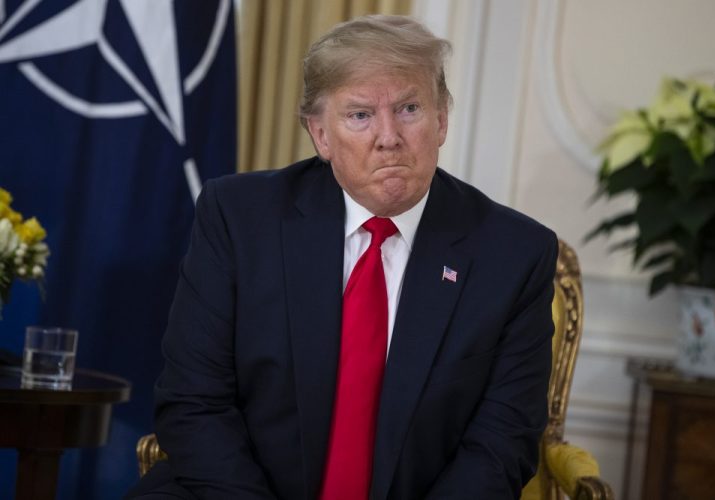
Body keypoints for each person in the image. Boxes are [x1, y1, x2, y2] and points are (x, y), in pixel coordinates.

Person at [129, 14, 557, 500]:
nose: (389, 136)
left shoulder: (514, 253)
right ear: (321, 135)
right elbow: (193, 402)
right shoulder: (240, 217)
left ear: (441, 120)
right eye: (360, 115)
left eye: (410, 108)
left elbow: (502, 443)